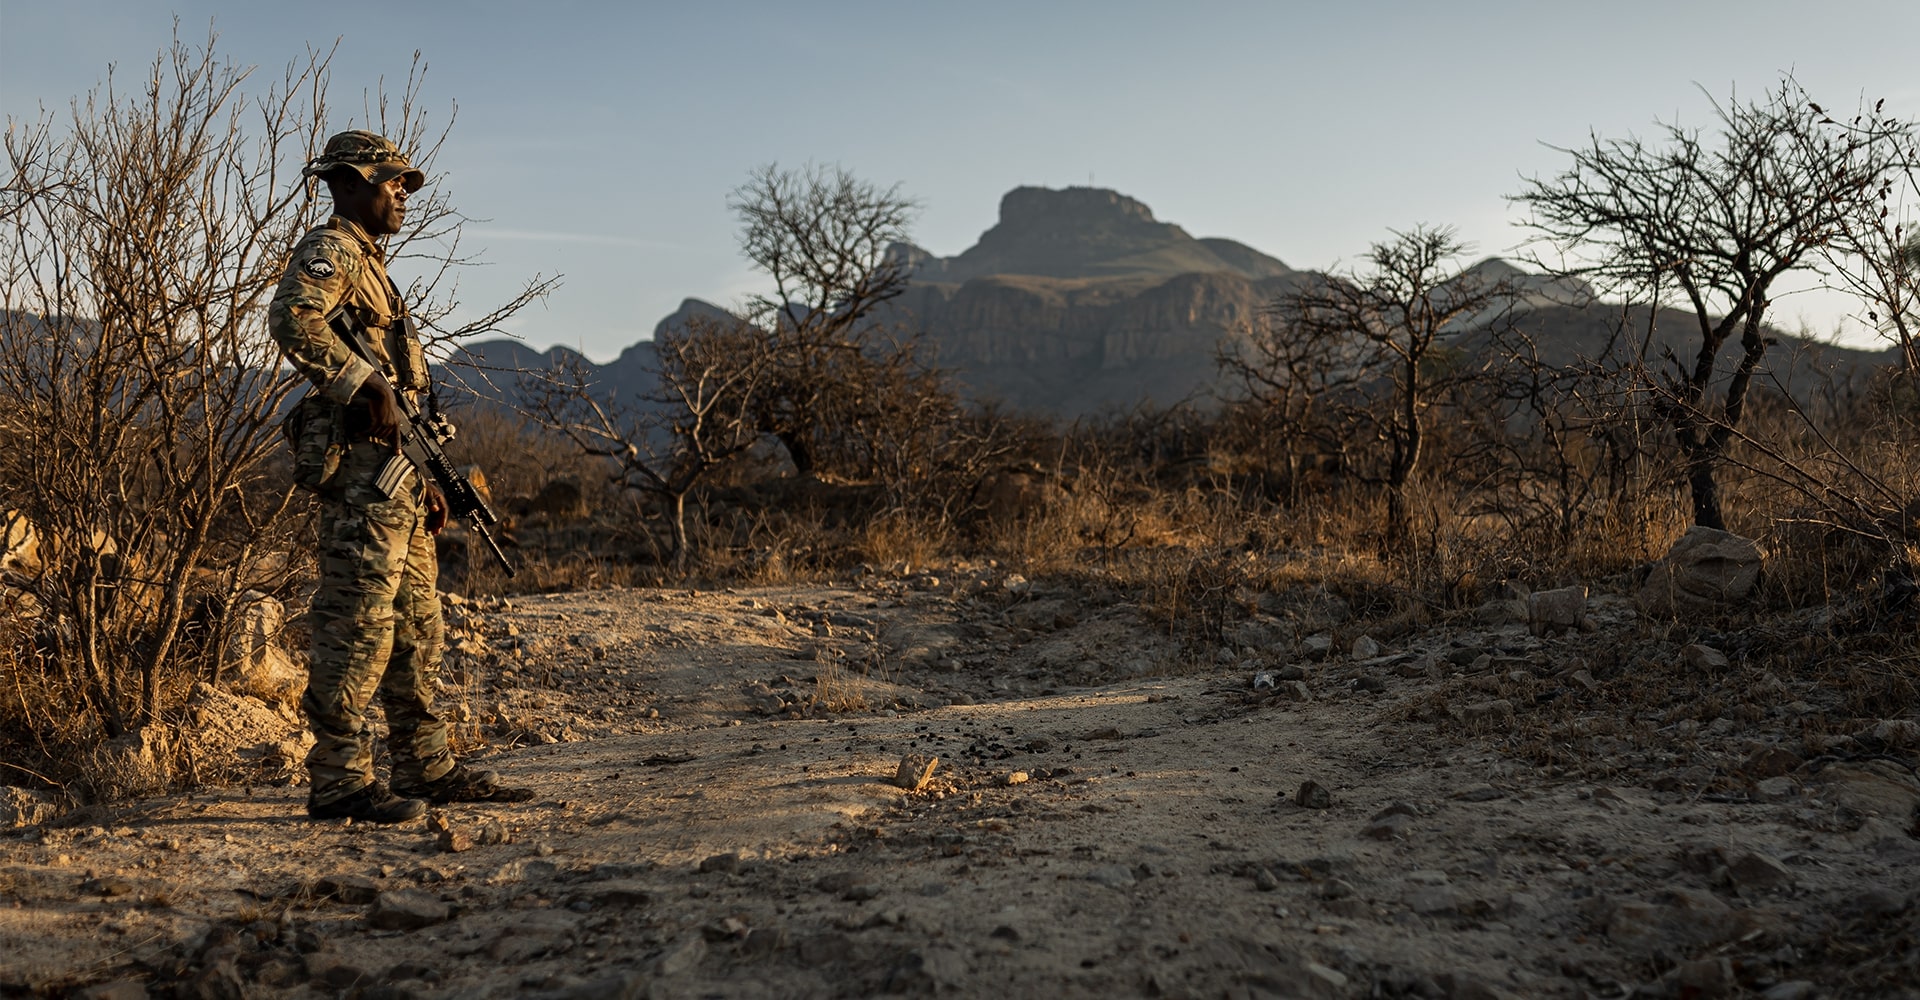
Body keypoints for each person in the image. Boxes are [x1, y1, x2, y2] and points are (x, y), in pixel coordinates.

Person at [269, 130, 531, 823]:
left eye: (406, 185)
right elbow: (292, 318)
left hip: (396, 481)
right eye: (391, 183)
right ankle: (339, 782)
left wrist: (431, 482)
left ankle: (425, 766)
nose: (403, 195)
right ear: (350, 182)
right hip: (359, 481)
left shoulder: (372, 267)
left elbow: (404, 399)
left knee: (417, 627)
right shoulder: (332, 253)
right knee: (357, 627)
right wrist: (363, 385)